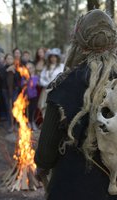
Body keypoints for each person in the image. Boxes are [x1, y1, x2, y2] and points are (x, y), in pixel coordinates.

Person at [34, 9, 117, 200]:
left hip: (72, 187)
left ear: (80, 42)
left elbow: (45, 155)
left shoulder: (63, 85)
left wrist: (41, 167)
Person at [38, 48, 64, 117]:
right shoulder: (46, 67)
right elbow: (41, 78)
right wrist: (47, 84)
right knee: (45, 107)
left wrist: (56, 84)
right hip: (46, 91)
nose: (53, 58)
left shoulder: (61, 66)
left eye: (54, 57)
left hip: (57, 90)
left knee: (57, 107)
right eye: (51, 57)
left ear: (57, 58)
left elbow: (64, 77)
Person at [26, 62, 39, 131]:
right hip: (26, 96)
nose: (29, 70)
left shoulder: (36, 77)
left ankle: (32, 121)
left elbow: (33, 85)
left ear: (33, 69)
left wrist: (30, 78)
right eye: (27, 68)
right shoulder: (24, 76)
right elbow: (22, 84)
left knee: (33, 109)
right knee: (27, 109)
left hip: (34, 96)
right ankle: (28, 122)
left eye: (30, 68)